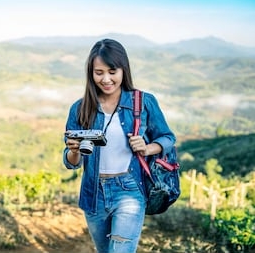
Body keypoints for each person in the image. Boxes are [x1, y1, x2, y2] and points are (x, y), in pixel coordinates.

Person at [63, 38, 176, 253]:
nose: (106, 79)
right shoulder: (79, 108)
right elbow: (71, 163)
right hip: (93, 192)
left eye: (112, 71)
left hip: (129, 188)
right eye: (99, 72)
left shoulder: (143, 102)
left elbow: (168, 138)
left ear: (123, 70)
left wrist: (147, 148)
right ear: (91, 73)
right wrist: (74, 151)